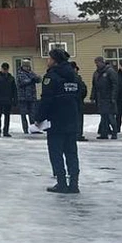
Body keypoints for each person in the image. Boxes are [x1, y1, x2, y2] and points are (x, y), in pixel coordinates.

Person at [36, 49, 82, 194]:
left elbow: (46, 100)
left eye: (49, 58)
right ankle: (74, 183)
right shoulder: (74, 75)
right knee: (71, 152)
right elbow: (82, 91)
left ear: (54, 60)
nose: (47, 61)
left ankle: (61, 182)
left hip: (56, 121)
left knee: (56, 153)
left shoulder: (51, 77)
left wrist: (39, 118)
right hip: (72, 119)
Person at [91, 57, 119, 140]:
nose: (97, 64)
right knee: (103, 116)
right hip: (100, 98)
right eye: (96, 63)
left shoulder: (110, 71)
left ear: (103, 62)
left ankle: (114, 133)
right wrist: (93, 96)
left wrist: (113, 96)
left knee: (110, 116)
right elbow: (94, 86)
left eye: (98, 62)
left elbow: (115, 84)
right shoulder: (96, 73)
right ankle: (104, 133)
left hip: (108, 97)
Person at [0, 63, 18, 137]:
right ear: (1, 69)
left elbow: (14, 90)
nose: (5, 71)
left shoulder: (11, 78)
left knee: (7, 116)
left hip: (8, 100)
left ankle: (6, 131)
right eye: (4, 69)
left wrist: (15, 99)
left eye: (6, 69)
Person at [16, 60, 41, 135]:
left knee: (32, 114)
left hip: (32, 97)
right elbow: (23, 82)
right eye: (26, 66)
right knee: (24, 114)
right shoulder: (20, 73)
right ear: (23, 66)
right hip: (23, 97)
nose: (27, 68)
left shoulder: (31, 73)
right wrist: (32, 80)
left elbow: (38, 79)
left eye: (28, 66)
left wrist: (37, 78)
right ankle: (25, 129)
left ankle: (33, 129)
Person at [71, 62, 88, 142]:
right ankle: (78, 134)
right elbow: (83, 90)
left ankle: (73, 134)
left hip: (70, 102)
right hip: (77, 102)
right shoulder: (77, 78)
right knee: (78, 119)